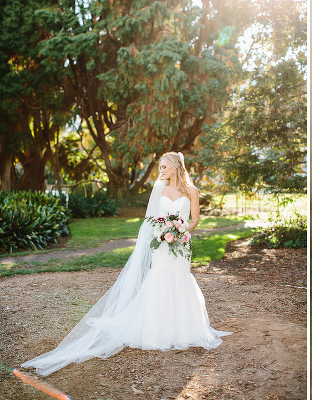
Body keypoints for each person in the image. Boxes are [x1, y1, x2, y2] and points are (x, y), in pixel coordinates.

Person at [22, 152, 231, 376]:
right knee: (158, 278)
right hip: (161, 244)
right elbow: (150, 220)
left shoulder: (191, 191)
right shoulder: (159, 188)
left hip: (180, 246)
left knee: (180, 279)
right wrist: (162, 233)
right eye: (159, 168)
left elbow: (195, 219)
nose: (160, 172)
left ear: (175, 167)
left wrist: (182, 232)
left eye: (164, 167)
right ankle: (155, 329)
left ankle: (183, 330)